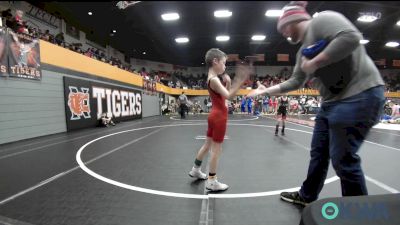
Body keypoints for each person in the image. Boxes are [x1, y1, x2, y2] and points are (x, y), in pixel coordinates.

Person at [248, 1, 385, 206]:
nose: (284, 33)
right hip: (331, 104)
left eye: (284, 27)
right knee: (318, 153)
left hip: (360, 94)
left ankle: (360, 213)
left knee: (343, 160)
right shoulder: (302, 51)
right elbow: (296, 81)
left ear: (293, 20)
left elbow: (351, 37)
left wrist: (315, 62)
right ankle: (307, 195)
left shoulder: (322, 20)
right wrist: (265, 91)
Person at [188, 48, 251, 191]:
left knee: (207, 145)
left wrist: (228, 84)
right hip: (219, 117)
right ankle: (212, 181)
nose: (225, 66)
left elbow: (222, 96)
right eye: (223, 63)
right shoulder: (215, 80)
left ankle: (195, 169)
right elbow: (229, 97)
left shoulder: (212, 78)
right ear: (215, 61)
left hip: (214, 115)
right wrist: (239, 81)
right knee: (216, 150)